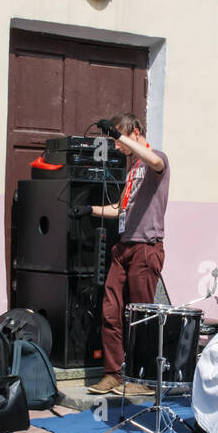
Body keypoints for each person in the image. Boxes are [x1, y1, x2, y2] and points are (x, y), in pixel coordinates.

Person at [78, 113, 170, 396]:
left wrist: (118, 137)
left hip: (146, 246)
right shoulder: (132, 171)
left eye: (120, 138)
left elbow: (155, 161)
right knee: (111, 309)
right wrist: (89, 210)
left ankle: (146, 379)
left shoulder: (157, 159)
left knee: (142, 315)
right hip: (124, 246)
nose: (117, 147)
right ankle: (113, 373)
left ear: (136, 132)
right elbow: (120, 209)